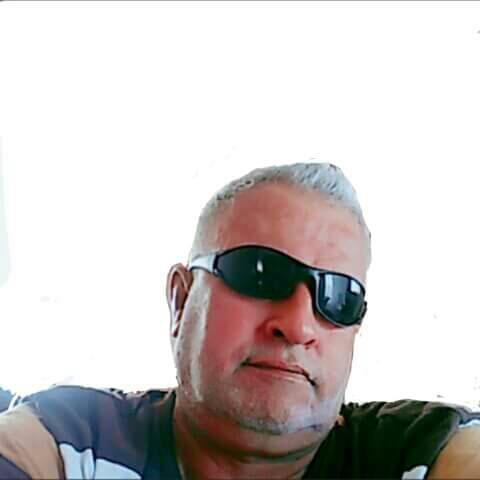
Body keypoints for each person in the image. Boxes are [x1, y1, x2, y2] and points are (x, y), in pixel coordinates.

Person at [0, 162, 479, 479]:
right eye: (259, 273)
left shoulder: (419, 453)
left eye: (339, 297)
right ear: (180, 300)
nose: (298, 325)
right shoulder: (72, 444)